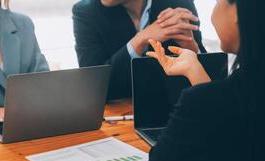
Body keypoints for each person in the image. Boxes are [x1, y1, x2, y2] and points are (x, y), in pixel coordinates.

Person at [146, 0, 265, 161]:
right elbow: (232, 126)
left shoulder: (206, 101)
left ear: (236, 12)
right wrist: (194, 69)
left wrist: (199, 95)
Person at [72, 0, 206, 100]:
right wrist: (139, 40)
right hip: (120, 118)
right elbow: (92, 88)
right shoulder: (86, 12)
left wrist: (191, 47)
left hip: (174, 109)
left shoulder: (177, 3)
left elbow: (210, 85)